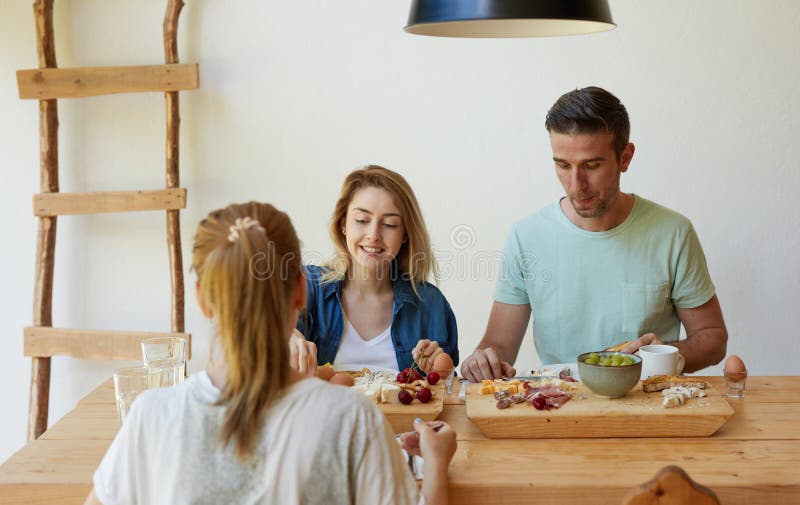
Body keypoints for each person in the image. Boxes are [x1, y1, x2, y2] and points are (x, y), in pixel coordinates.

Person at [84, 202, 457, 505]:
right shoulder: (352, 419)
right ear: (300, 291)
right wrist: (437, 462)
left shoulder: (151, 416)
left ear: (202, 301)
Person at [461, 87, 727, 382]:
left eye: (591, 165)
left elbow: (713, 339)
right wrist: (482, 361)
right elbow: (498, 346)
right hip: (557, 406)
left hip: (649, 408)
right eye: (563, 165)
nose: (576, 185)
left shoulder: (673, 233)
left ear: (625, 158)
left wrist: (668, 355)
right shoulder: (526, 236)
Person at [291, 165, 458, 375]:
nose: (374, 235)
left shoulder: (430, 303)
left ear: (405, 234)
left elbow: (448, 392)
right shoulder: (308, 286)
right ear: (343, 224)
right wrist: (284, 336)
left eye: (389, 224)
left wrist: (442, 371)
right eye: (362, 220)